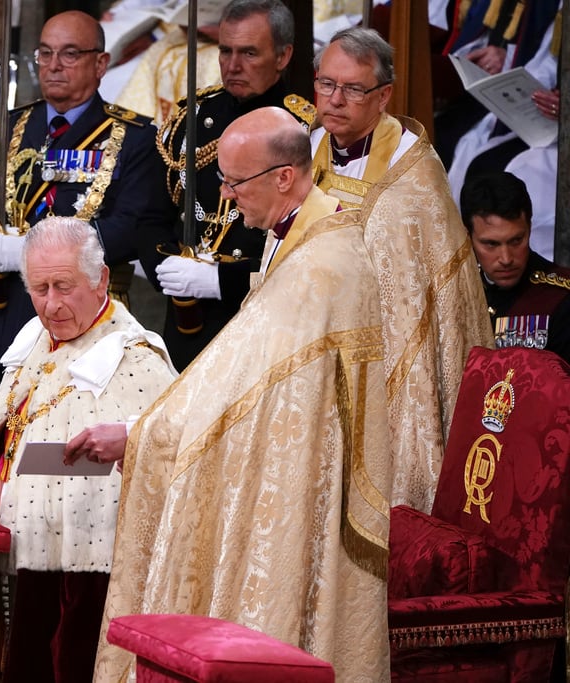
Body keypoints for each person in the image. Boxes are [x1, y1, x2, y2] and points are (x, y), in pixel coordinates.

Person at [93, 107, 392, 682]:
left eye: (235, 182)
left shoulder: (324, 266)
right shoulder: (298, 234)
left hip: (298, 481)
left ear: (284, 177)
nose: (227, 197)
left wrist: (143, 435)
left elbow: (250, 388)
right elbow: (237, 368)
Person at [0, 216, 176, 683]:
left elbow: (103, 495)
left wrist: (0, 494)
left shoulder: (135, 360)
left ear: (102, 280)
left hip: (86, 583)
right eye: (39, 288)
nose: (51, 305)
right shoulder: (36, 336)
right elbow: (16, 432)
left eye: (64, 286)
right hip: (31, 562)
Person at [0, 10, 175, 414]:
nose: (54, 66)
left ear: (101, 63)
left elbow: (131, 229)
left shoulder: (133, 138)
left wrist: (28, 253)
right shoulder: (12, 125)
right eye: (46, 53)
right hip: (1, 309)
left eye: (70, 54)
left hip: (82, 318)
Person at [310, 26, 493, 511]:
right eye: (326, 84)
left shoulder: (413, 174)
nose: (334, 100)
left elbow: (415, 292)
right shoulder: (308, 150)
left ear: (384, 95)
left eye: (352, 89)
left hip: (382, 353)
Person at [145, 0, 315, 370]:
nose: (233, 66)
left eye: (249, 53)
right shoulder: (193, 118)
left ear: (283, 56)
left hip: (260, 320)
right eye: (226, 51)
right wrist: (166, 269)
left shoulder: (303, 133)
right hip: (186, 322)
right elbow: (153, 214)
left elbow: (307, 248)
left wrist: (222, 280)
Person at [447, 3, 560, 261]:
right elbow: (546, 61)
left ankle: (541, 277)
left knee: (521, 171)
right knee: (470, 149)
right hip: (549, 124)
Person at [461, 172, 570, 363]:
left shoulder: (560, 297)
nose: (506, 258)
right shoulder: (456, 295)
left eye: (516, 241)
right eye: (491, 244)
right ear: (467, 236)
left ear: (529, 227)